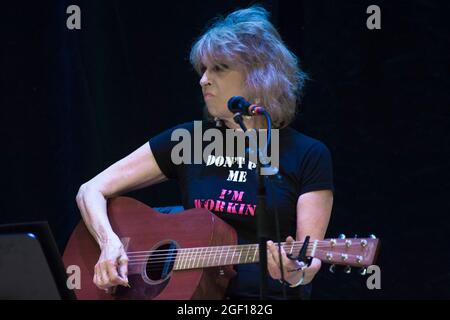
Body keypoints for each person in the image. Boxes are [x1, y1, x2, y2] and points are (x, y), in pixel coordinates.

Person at [75, 5, 334, 300]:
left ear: (260, 74)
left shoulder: (308, 154)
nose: (203, 80)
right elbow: (90, 189)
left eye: (219, 68)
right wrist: (109, 242)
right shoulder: (189, 140)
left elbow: (309, 259)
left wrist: (294, 272)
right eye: (203, 69)